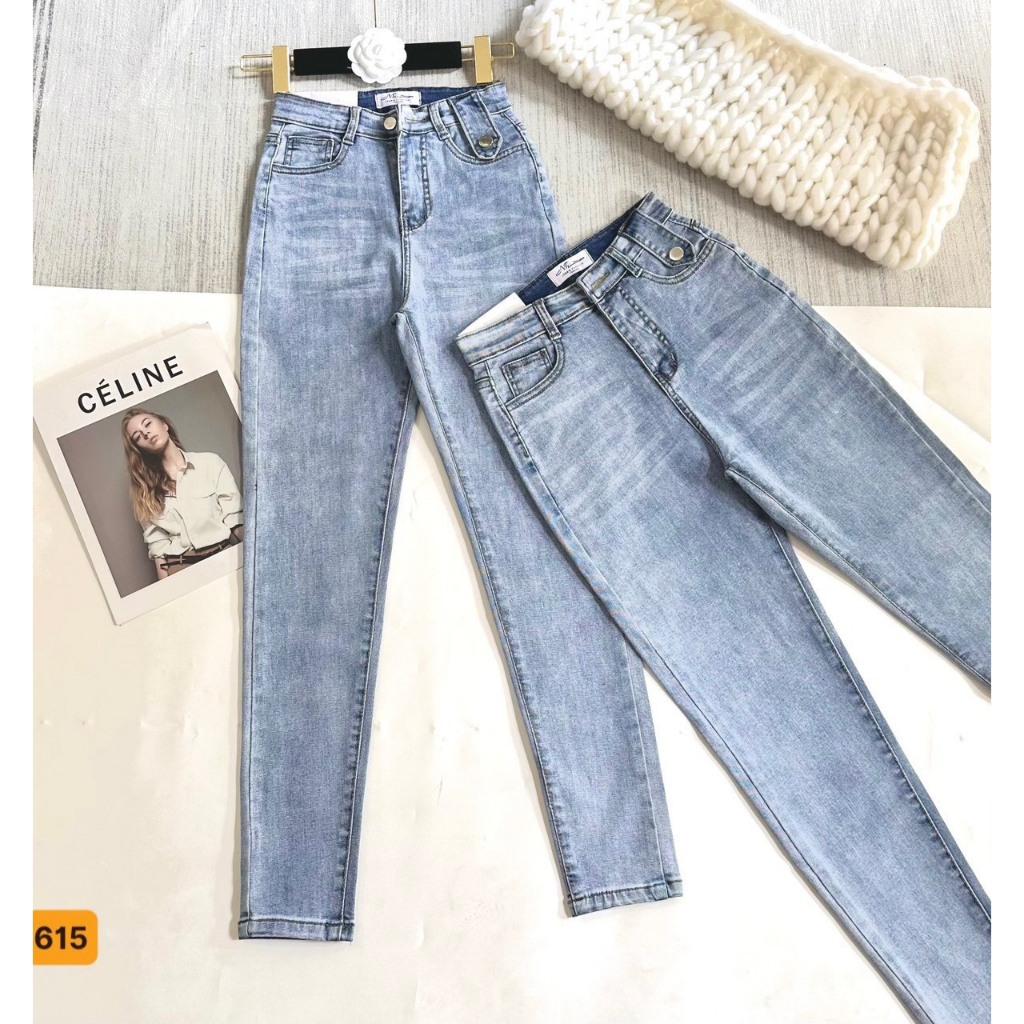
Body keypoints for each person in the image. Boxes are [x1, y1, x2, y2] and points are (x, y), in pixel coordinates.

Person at [121, 406, 243, 579]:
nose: (146, 433)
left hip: (224, 557)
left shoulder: (210, 463)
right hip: (180, 568)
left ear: (164, 425)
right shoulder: (143, 490)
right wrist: (167, 591)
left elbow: (235, 520)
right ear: (139, 448)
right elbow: (158, 547)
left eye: (147, 424)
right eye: (138, 436)